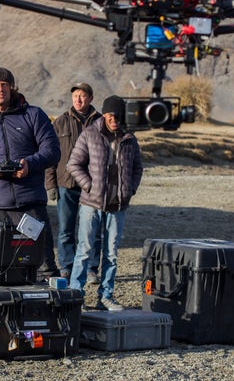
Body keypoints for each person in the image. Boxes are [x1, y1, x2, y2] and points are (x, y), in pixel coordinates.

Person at [0, 67, 60, 279]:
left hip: (30, 203)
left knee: (44, 264)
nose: (0, 89)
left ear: (12, 88)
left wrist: (30, 165)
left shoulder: (34, 115)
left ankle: (49, 309)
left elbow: (52, 151)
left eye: (4, 84)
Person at [67, 95, 143, 310]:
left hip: (118, 205)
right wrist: (90, 186)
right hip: (91, 204)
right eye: (110, 115)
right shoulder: (90, 134)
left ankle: (106, 296)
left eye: (118, 115)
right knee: (84, 250)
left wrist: (130, 189)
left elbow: (137, 168)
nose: (114, 119)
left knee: (111, 253)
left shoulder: (130, 138)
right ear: (105, 114)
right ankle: (76, 295)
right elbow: (73, 165)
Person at [45, 82, 102, 283]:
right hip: (66, 184)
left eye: (83, 96)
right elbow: (50, 156)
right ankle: (67, 267)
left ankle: (91, 269)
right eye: (75, 95)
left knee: (93, 231)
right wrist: (50, 184)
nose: (78, 99)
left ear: (91, 98)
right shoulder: (59, 122)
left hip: (93, 187)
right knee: (65, 230)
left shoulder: (101, 123)